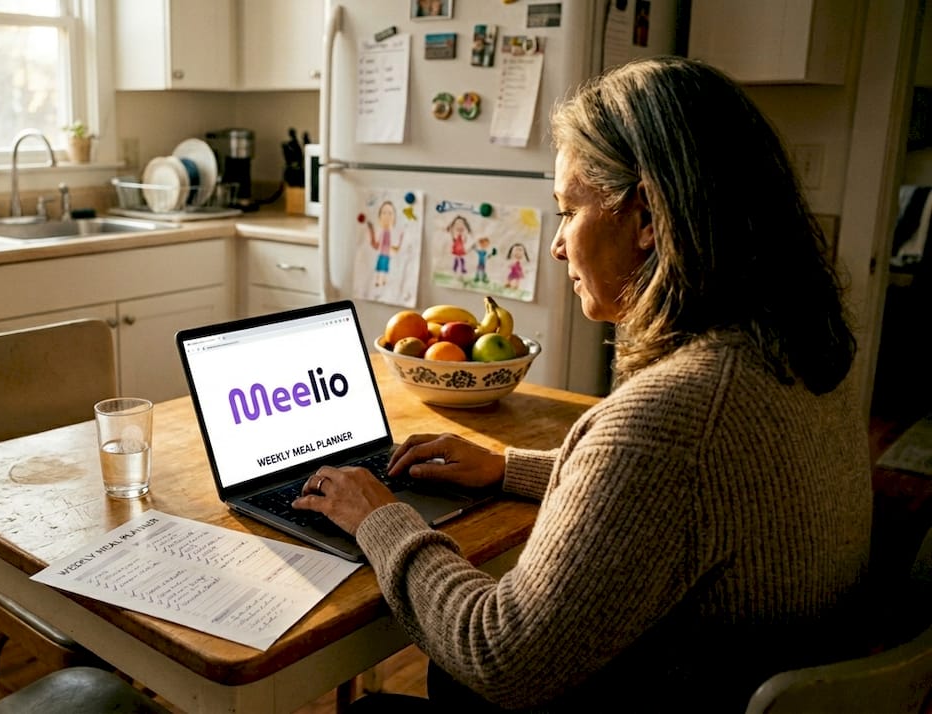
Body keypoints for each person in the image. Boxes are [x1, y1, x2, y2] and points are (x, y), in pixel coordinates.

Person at [293, 56, 871, 713]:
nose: (557, 245)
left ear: (647, 216)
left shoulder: (674, 417)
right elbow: (680, 506)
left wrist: (380, 519)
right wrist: (513, 468)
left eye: (568, 211)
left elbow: (497, 652)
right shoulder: (805, 351)